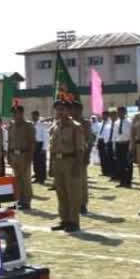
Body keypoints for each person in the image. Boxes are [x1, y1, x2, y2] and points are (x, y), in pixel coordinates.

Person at [49, 99, 86, 233]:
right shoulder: (55, 127)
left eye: (62, 109)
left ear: (69, 111)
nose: (59, 111)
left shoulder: (76, 126)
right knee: (61, 193)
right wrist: (51, 167)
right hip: (57, 163)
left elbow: (80, 149)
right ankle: (64, 220)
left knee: (73, 194)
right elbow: (52, 148)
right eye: (58, 109)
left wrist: (78, 166)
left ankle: (73, 221)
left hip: (71, 162)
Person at [7, 105, 35, 209]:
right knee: (16, 179)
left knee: (25, 179)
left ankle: (26, 201)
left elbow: (32, 142)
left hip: (24, 154)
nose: (14, 115)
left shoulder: (28, 125)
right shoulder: (11, 126)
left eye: (16, 113)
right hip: (14, 155)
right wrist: (8, 155)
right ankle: (18, 200)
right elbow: (9, 141)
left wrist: (30, 157)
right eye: (13, 113)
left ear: (21, 113)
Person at [72, 101, 92, 214]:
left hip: (81, 155)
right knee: (72, 181)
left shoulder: (85, 123)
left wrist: (87, 155)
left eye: (75, 109)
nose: (72, 112)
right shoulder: (68, 123)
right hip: (69, 155)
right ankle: (74, 203)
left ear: (80, 110)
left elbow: (89, 140)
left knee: (82, 181)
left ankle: (83, 204)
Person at [110, 106, 132, 188]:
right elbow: (114, 135)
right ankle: (122, 181)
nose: (120, 113)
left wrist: (131, 146)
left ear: (125, 112)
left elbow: (132, 135)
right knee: (120, 164)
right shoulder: (116, 122)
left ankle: (128, 182)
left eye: (121, 112)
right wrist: (114, 146)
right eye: (118, 112)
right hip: (118, 144)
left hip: (127, 144)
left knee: (128, 164)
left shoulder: (129, 122)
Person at [32, 110, 48, 184]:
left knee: (41, 162)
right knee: (35, 162)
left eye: (35, 115)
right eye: (32, 115)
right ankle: (37, 176)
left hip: (40, 144)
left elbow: (45, 136)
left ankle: (42, 178)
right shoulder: (32, 124)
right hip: (34, 145)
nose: (33, 117)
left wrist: (44, 148)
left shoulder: (42, 124)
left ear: (38, 116)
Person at [98, 111, 114, 178]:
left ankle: (108, 171)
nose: (103, 116)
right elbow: (98, 134)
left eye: (105, 115)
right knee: (101, 157)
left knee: (106, 157)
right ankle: (103, 171)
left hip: (106, 141)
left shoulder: (110, 124)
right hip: (100, 141)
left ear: (108, 116)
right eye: (103, 115)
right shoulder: (100, 123)